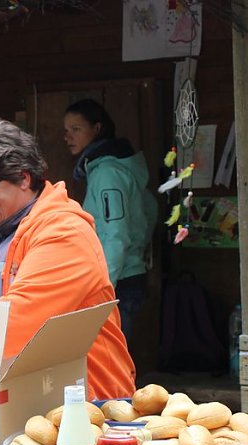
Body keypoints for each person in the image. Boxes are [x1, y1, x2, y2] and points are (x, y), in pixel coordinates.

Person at [0, 118, 135, 400]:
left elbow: (15, 323)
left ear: (24, 178)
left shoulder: (64, 233)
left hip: (88, 405)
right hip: (18, 396)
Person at [63, 99, 158, 342]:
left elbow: (115, 234)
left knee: (112, 363)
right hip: (126, 275)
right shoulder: (114, 168)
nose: (68, 137)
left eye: (76, 129)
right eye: (66, 130)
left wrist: (103, 289)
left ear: (96, 129)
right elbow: (150, 210)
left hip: (118, 282)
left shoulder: (107, 173)